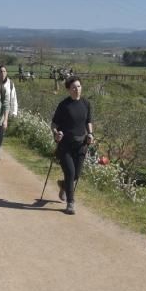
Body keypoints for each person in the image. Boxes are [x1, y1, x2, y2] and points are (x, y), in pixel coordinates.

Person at [50, 76, 93, 216]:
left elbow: (88, 121)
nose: (77, 89)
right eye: (74, 87)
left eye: (79, 86)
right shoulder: (63, 105)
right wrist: (56, 133)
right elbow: (54, 124)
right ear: (68, 89)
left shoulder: (86, 103)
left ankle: (63, 185)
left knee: (76, 175)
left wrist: (90, 134)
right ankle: (70, 203)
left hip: (81, 145)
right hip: (65, 146)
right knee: (70, 173)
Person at [0, 65, 17, 163]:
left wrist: (14, 111)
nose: (3, 73)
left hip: (5, 112)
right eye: (1, 71)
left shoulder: (10, 84)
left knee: (1, 133)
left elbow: (13, 98)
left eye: (4, 71)